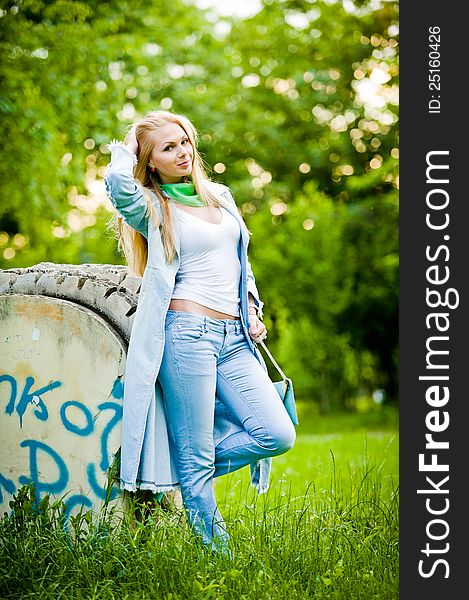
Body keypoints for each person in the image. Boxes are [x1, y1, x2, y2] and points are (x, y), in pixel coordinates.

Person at [104, 109, 296, 554]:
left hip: (236, 339)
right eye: (167, 148)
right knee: (196, 457)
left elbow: (240, 264)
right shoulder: (153, 207)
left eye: (184, 142)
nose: (182, 152)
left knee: (276, 433)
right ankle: (217, 553)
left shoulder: (220, 196)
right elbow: (118, 188)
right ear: (150, 162)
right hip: (187, 335)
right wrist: (130, 144)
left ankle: (179, 471)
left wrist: (250, 306)